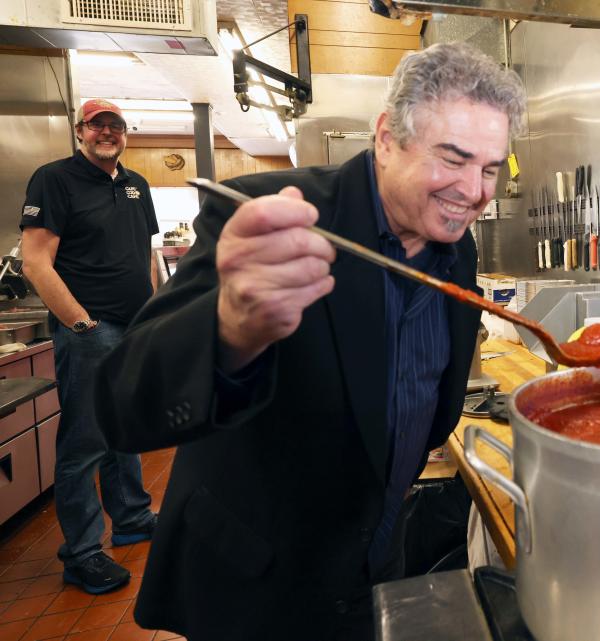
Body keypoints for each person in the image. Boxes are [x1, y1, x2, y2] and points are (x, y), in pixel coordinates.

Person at [94, 42, 526, 640]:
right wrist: (227, 328)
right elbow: (124, 406)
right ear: (386, 138)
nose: (475, 190)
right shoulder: (270, 214)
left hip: (375, 569)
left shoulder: (458, 246)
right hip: (259, 588)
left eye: (489, 168)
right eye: (453, 158)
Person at [20, 99, 159, 595]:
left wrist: (151, 315)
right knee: (84, 442)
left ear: (126, 134)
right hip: (90, 330)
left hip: (133, 326)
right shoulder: (54, 179)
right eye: (97, 124)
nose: (107, 132)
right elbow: (36, 262)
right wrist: (81, 324)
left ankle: (133, 518)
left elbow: (143, 256)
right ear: (81, 131)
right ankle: (80, 554)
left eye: (115, 126)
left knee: (123, 429)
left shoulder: (136, 184)